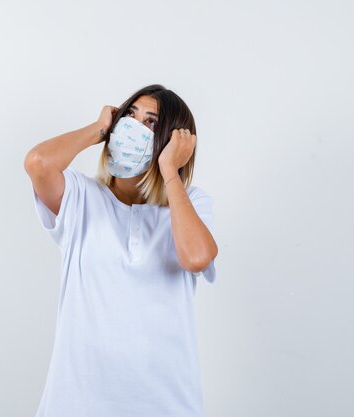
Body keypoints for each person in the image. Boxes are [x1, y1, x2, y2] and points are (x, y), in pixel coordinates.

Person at [23, 84, 219, 417]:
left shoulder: (189, 205)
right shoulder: (81, 198)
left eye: (151, 123)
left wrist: (169, 171)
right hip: (76, 404)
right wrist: (97, 129)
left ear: (173, 143)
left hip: (165, 405)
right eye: (129, 116)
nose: (134, 127)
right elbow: (38, 163)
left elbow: (197, 257)